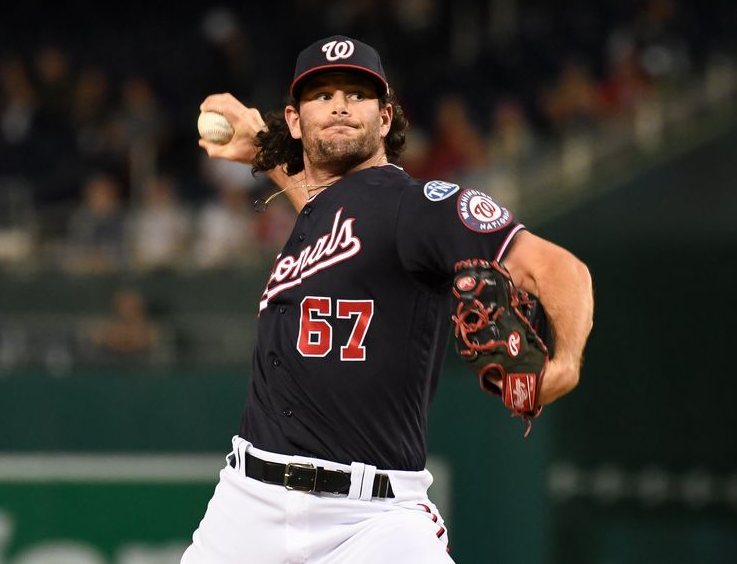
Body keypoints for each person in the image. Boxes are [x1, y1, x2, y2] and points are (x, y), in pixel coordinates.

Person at [184, 35, 594, 564]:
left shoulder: (421, 207)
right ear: (294, 119)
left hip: (372, 521)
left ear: (385, 118)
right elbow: (324, 194)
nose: (339, 104)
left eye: (356, 94)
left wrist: (565, 363)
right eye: (322, 94)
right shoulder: (319, 209)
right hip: (247, 502)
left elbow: (561, 269)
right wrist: (262, 147)